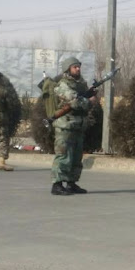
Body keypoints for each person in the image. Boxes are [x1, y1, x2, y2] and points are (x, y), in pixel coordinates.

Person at [50, 57, 95, 196]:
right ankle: (57, 185)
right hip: (65, 126)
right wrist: (89, 101)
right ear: (68, 69)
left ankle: (71, 183)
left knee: (76, 157)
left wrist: (91, 96)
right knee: (63, 156)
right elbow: (75, 102)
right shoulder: (63, 85)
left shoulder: (81, 84)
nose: (78, 69)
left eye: (79, 66)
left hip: (78, 125)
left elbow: (84, 102)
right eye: (75, 67)